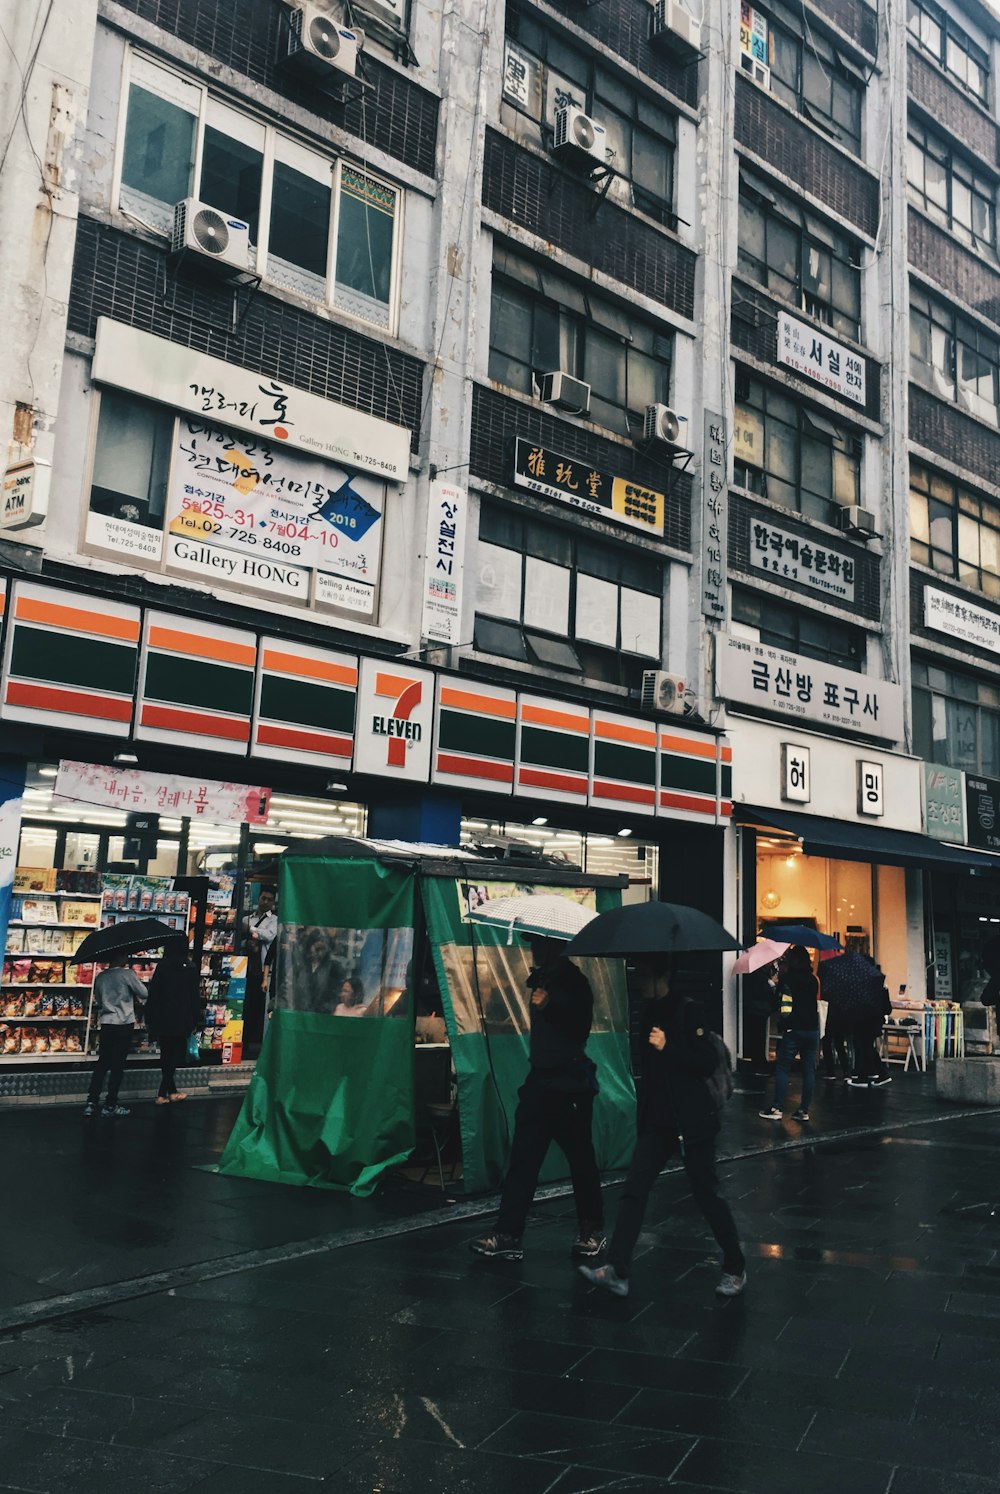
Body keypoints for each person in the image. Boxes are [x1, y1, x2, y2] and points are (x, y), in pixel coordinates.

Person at [579, 955, 745, 1299]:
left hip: (692, 1122)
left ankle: (735, 1264)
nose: (639, 980)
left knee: (706, 1194)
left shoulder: (689, 1010)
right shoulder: (649, 1011)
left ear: (663, 975)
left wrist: (669, 1047)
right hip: (657, 1122)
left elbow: (704, 1062)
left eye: (645, 974)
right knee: (634, 1190)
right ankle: (617, 1269)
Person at [470, 934, 604, 1262]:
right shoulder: (543, 979)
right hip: (540, 1083)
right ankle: (508, 1233)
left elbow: (579, 1028)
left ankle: (592, 1230)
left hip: (569, 1084)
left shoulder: (574, 982)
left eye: (538, 944)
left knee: (581, 1160)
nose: (533, 950)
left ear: (554, 946)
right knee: (523, 1160)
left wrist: (552, 1007)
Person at [759, 945, 819, 1122]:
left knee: (783, 1067)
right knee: (809, 1071)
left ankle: (777, 1107)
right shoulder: (813, 980)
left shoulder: (788, 979)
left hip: (793, 1028)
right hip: (812, 1029)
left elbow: (779, 1001)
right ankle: (803, 1110)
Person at [83, 952, 147, 1118]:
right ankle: (110, 1104)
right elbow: (144, 992)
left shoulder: (101, 977)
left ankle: (91, 1102)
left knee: (103, 1062)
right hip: (124, 1023)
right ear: (121, 958)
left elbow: (98, 999)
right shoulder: (127, 975)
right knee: (118, 1065)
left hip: (107, 1022)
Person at [145, 936, 203, 1105]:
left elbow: (154, 993)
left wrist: (150, 1017)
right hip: (182, 1017)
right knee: (175, 1055)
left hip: (163, 1017)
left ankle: (169, 1092)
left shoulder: (163, 966)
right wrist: (195, 1019)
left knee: (166, 1054)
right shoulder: (191, 968)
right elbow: (194, 997)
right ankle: (163, 1093)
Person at [241, 888, 277, 1052]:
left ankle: (255, 1043)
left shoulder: (274, 921)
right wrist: (246, 943)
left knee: (258, 1009)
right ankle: (243, 1040)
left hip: (262, 971)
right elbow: (239, 940)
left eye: (269, 899)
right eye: (264, 898)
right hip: (245, 968)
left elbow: (269, 936)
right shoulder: (247, 918)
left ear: (273, 903)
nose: (265, 902)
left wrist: (250, 930)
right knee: (244, 1006)